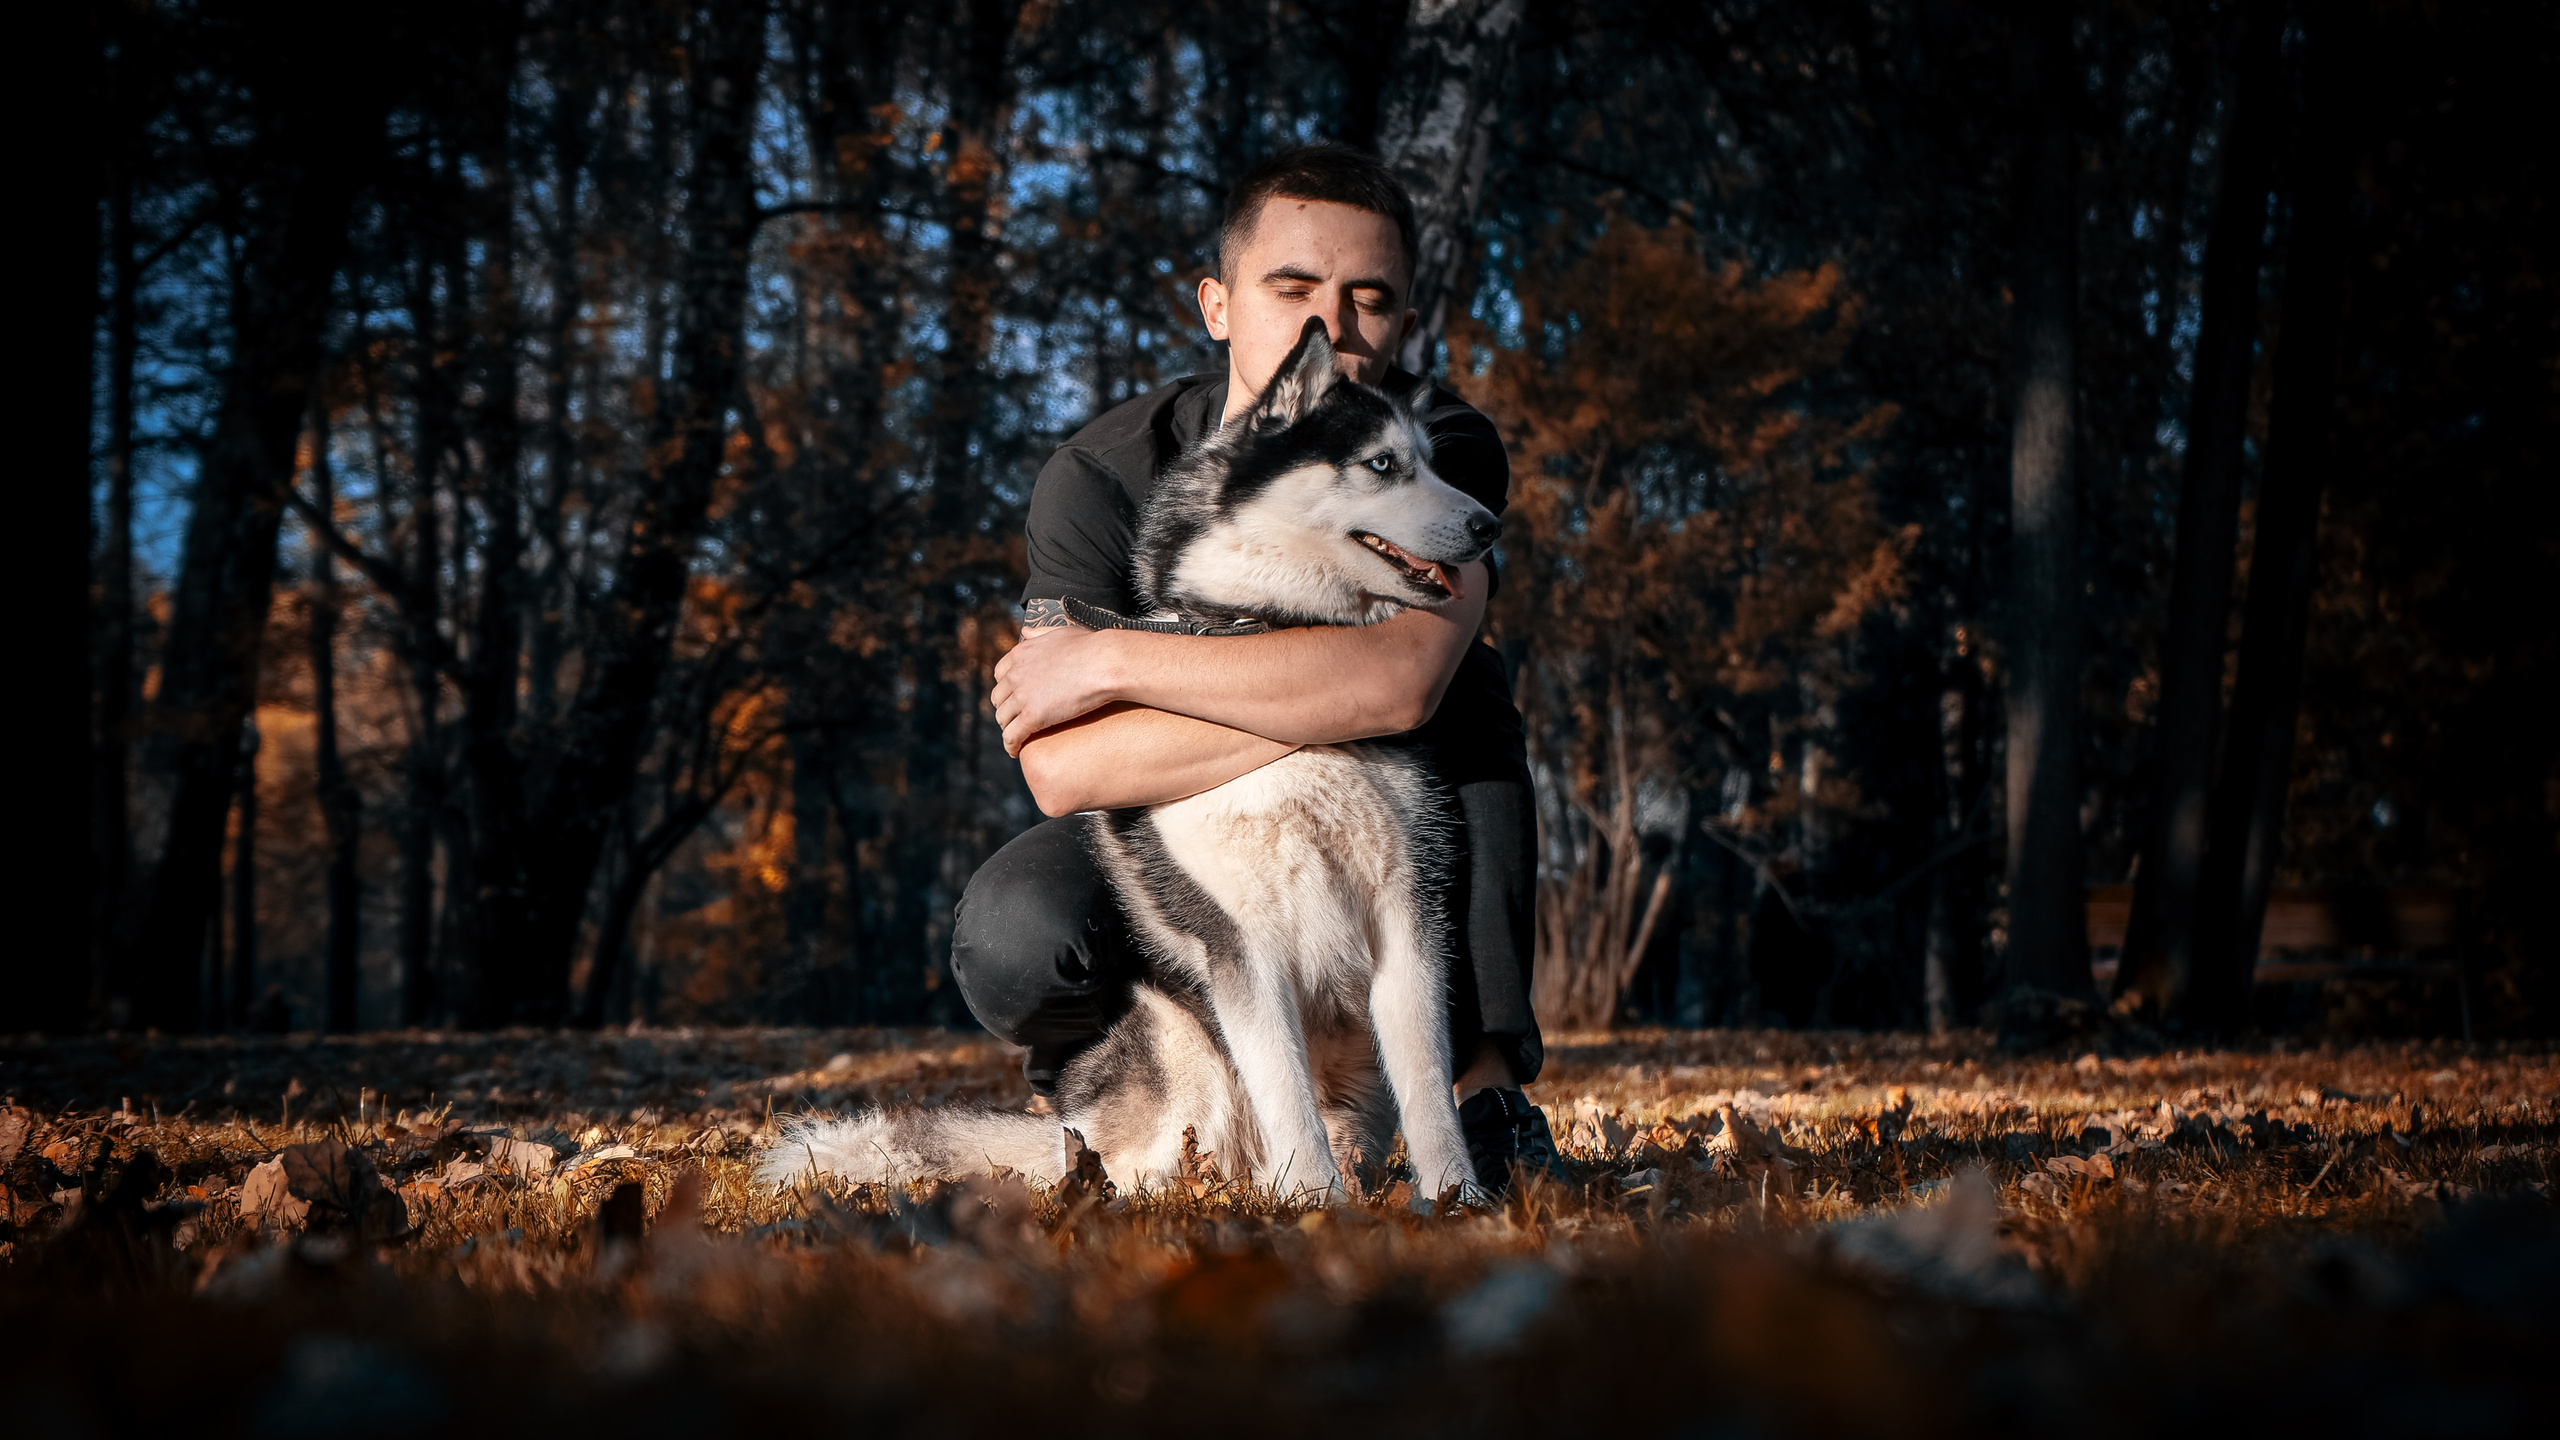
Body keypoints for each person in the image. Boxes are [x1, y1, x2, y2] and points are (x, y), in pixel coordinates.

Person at [957, 142, 1561, 1193]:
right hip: (1177, 842)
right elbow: (1065, 772)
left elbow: (1406, 684)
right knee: (1015, 931)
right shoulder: (1100, 474)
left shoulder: (1436, 441)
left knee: (1467, 696)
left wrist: (1108, 659)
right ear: (1217, 304)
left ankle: (1486, 1095)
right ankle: (1126, 1105)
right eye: (1294, 288)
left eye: (1370, 300)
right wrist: (1332, 690)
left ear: (1405, 327)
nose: (1332, 328)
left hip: (1374, 820)